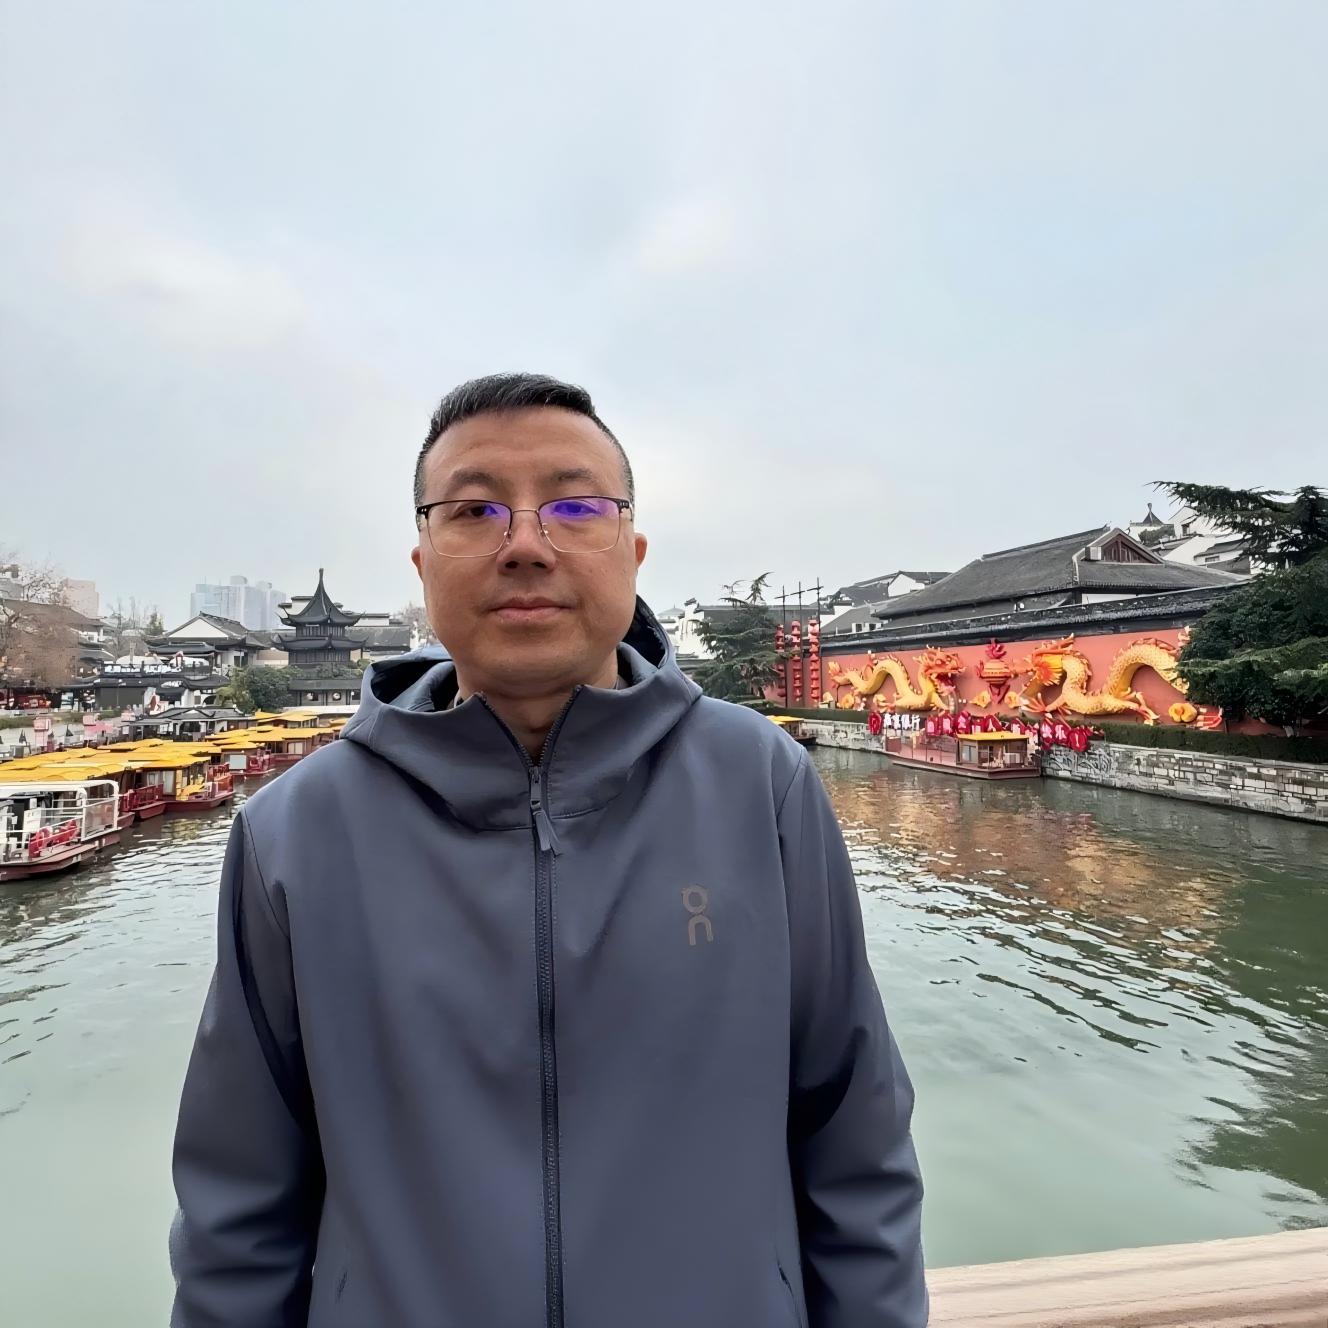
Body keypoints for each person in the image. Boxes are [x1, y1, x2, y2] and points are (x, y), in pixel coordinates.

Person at [170, 372, 926, 1328]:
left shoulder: (761, 784)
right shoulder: (296, 830)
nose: (525, 544)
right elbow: (239, 1203)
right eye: (474, 510)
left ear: (633, 551)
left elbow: (854, 1135)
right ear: (422, 562)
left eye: (576, 507)